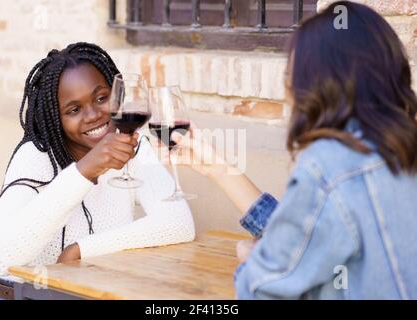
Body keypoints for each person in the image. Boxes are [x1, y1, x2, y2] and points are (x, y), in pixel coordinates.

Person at [172, 1, 417, 299]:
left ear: (312, 88)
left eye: (289, 78)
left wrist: (252, 263)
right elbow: (312, 236)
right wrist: (219, 169)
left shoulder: (331, 164)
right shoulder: (395, 150)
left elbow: (261, 292)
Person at [0, 42, 195, 300]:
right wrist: (84, 172)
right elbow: (2, 258)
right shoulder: (35, 156)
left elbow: (179, 223)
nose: (94, 114)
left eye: (101, 98)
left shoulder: (133, 146)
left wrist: (82, 250)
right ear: (55, 118)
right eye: (74, 110)